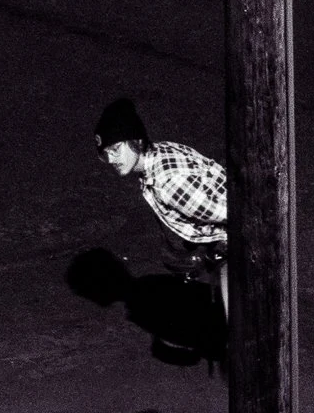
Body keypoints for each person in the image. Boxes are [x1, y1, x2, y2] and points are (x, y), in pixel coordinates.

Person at [96, 98, 229, 314]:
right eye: (105, 154)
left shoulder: (167, 183)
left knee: (244, 333)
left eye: (116, 149)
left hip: (243, 251)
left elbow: (241, 215)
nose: (111, 159)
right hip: (228, 250)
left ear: (136, 140)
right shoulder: (160, 153)